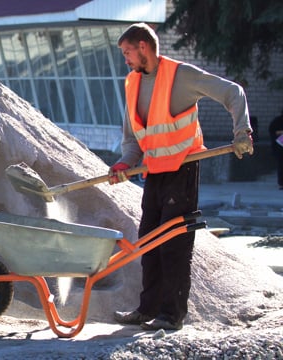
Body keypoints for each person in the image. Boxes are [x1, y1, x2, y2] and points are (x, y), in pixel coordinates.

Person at [108, 23, 253, 331]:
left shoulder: (181, 76)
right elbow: (132, 136)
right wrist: (124, 163)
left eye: (127, 52)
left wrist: (242, 131)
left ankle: (171, 315)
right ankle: (146, 309)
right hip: (154, 172)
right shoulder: (132, 82)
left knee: (173, 244)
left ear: (144, 47)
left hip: (183, 169)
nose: (126, 60)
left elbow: (233, 92)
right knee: (148, 240)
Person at [269, 110, 283, 190]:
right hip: (280, 146)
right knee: (281, 164)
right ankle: (281, 183)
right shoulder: (277, 121)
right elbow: (273, 131)